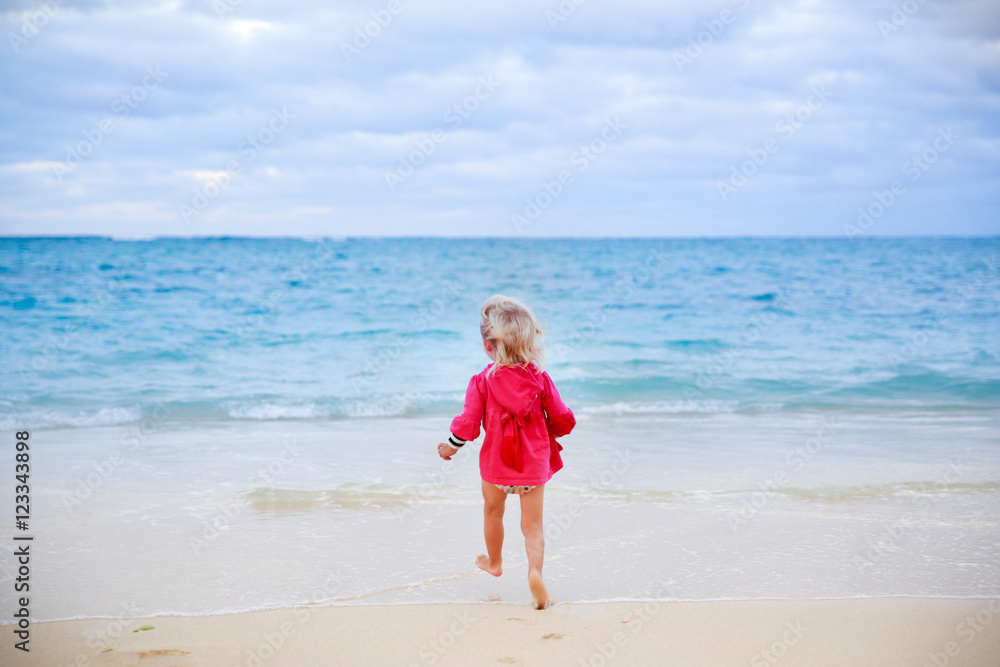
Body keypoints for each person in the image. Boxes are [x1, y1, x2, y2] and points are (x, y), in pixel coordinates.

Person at [437, 295, 576, 609]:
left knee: (493, 512)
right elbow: (559, 416)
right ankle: (535, 572)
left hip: (496, 466)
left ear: (488, 345)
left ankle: (495, 562)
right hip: (533, 466)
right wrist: (559, 429)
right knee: (533, 526)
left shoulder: (481, 381)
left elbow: (469, 423)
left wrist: (450, 447)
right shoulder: (540, 378)